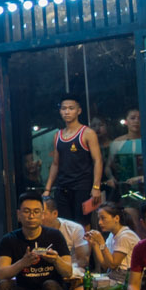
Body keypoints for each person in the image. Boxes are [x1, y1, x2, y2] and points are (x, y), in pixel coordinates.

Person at [48, 94, 103, 223]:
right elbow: (55, 163)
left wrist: (96, 187)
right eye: (64, 108)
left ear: (79, 111)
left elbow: (98, 161)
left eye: (71, 108)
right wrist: (47, 189)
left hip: (82, 186)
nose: (67, 111)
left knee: (82, 225)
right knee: (64, 224)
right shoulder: (58, 135)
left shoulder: (88, 133)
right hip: (62, 187)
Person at [82, 203, 138, 285]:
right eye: (99, 219)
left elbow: (113, 264)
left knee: (89, 285)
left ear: (116, 218)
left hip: (125, 278)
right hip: (114, 275)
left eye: (103, 218)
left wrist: (101, 242)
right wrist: (95, 244)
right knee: (87, 283)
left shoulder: (125, 236)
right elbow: (105, 265)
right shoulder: (112, 235)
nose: (100, 222)